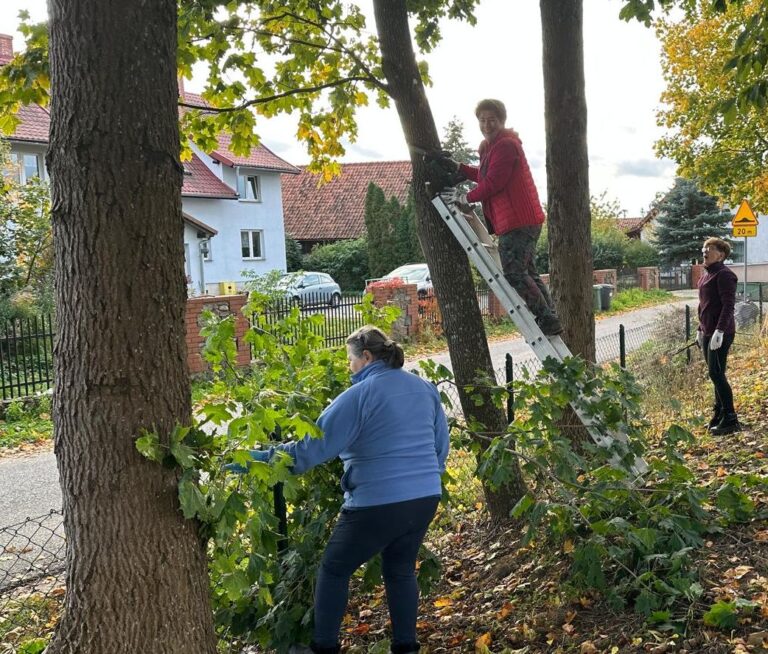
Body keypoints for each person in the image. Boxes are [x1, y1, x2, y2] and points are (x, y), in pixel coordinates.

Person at [229, 326, 450, 654]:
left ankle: (325, 648)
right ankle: (406, 647)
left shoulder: (361, 395)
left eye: (350, 360)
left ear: (366, 357)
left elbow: (309, 451)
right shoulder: (423, 387)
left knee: (334, 568)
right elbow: (440, 448)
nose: (349, 368)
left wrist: (256, 458)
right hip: (425, 497)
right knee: (400, 568)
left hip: (377, 501)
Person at [441, 98, 562, 336]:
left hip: (518, 221)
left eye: (492, 120)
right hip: (522, 219)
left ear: (502, 120)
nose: (487, 124)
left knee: (515, 273)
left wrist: (466, 198)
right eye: (482, 120)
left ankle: (547, 318)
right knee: (528, 273)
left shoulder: (506, 145)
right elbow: (486, 175)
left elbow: (494, 182)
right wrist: (460, 168)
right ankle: (550, 316)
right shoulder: (493, 147)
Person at [697, 237, 740, 435]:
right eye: (704, 248)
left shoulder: (725, 275)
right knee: (715, 374)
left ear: (721, 255)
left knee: (716, 373)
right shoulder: (706, 276)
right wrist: (700, 328)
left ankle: (730, 418)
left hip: (720, 333)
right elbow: (703, 306)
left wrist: (720, 331)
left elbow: (728, 306)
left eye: (710, 249)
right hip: (707, 332)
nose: (705, 251)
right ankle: (719, 412)